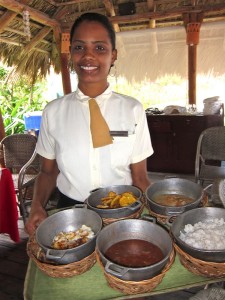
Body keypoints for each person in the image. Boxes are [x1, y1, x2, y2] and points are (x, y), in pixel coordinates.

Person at [25, 12, 153, 236]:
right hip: (69, 211)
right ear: (71, 52)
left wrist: (157, 211)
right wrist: (37, 205)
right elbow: (47, 172)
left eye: (100, 48)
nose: (88, 56)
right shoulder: (53, 112)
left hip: (122, 210)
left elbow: (140, 177)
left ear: (113, 55)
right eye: (79, 47)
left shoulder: (133, 109)